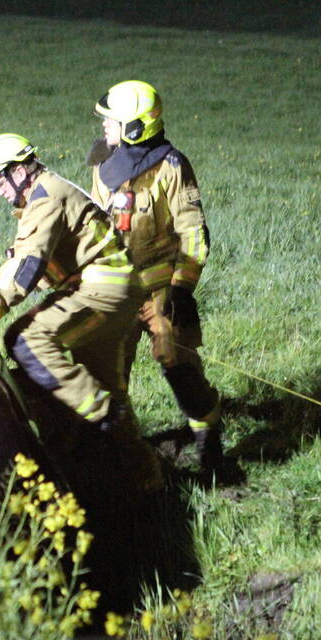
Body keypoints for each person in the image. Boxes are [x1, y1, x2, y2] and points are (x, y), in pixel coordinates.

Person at [0, 133, 164, 494]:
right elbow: (29, 263)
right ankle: (144, 479)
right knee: (103, 385)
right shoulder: (46, 194)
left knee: (25, 339)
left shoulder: (44, 197)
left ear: (20, 169)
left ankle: (95, 416)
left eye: (0, 181)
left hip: (103, 289)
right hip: (113, 289)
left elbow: (26, 267)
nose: (0, 192)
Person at [87, 80, 226, 474]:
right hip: (116, 287)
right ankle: (120, 456)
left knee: (179, 366)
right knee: (108, 372)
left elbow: (194, 233)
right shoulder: (103, 164)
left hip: (162, 290)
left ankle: (210, 444)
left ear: (134, 127)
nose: (104, 128)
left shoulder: (172, 166)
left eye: (111, 121)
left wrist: (183, 288)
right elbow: (95, 224)